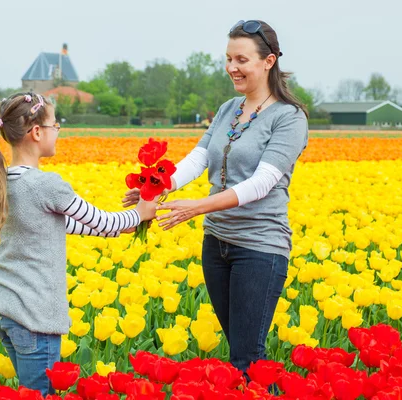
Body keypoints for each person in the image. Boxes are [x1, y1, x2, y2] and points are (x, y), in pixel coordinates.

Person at [124, 20, 308, 374]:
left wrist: (197, 207)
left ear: (269, 62)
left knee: (247, 357)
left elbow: (262, 183)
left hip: (259, 246)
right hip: (218, 243)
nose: (231, 68)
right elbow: (200, 157)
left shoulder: (289, 117)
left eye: (241, 59)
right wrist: (158, 185)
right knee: (238, 348)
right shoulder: (229, 109)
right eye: (228, 59)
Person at [0, 93, 157, 395]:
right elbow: (99, 220)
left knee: (28, 392)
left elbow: (62, 225)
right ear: (37, 132)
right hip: (34, 316)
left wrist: (123, 228)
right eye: (55, 125)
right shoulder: (45, 184)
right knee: (41, 395)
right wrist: (139, 213)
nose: (58, 131)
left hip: (6, 310)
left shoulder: (5, 180)